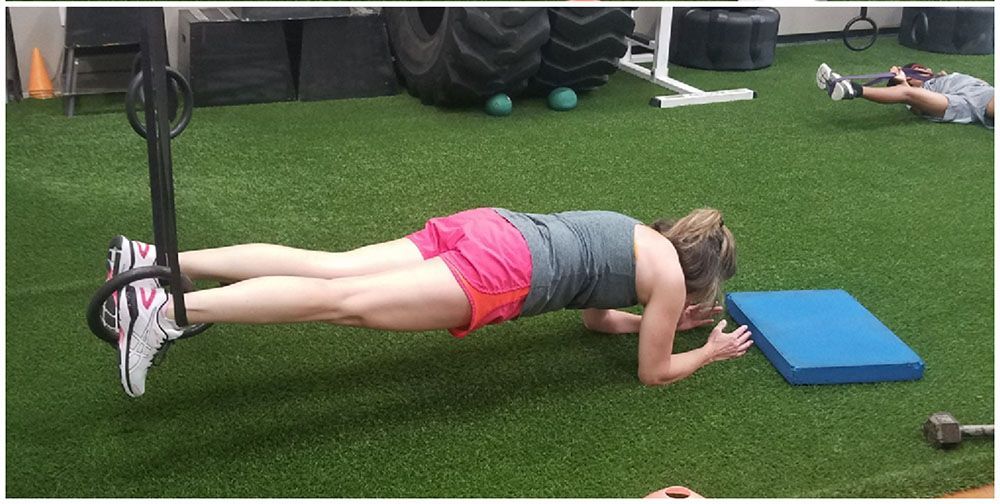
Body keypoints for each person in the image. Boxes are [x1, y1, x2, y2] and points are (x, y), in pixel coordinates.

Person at [109, 206, 753, 397]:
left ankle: (154, 260)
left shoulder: (638, 235)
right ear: (700, 277)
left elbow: (593, 318)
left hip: (493, 227)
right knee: (344, 302)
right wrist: (710, 352)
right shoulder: (670, 280)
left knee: (331, 269)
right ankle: (165, 313)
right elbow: (653, 372)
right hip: (505, 268)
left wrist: (651, 321)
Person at [816, 62, 995, 128]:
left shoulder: (940, 78)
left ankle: (848, 88)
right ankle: (852, 89)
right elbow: (914, 103)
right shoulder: (920, 91)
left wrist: (943, 76)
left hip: (980, 91)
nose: (927, 70)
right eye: (919, 69)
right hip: (964, 101)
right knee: (908, 93)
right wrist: (901, 80)